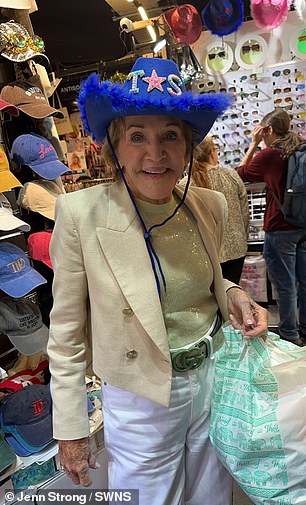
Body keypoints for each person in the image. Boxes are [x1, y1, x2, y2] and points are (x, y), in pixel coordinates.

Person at [47, 57, 268, 505]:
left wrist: (234, 293)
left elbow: (202, 285)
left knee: (212, 491)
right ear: (115, 146)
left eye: (170, 135)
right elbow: (66, 335)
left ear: (187, 148)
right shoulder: (80, 216)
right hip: (141, 395)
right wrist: (71, 428)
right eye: (138, 136)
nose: (155, 152)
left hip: (212, 378)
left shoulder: (207, 205)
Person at [237, 108, 306, 347]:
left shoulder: (270, 156)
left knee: (285, 286)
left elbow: (240, 174)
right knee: (304, 281)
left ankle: (289, 333)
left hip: (280, 227)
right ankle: (304, 329)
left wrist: (254, 144)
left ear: (267, 130)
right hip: (302, 224)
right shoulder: (299, 149)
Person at [180, 136, 249, 284]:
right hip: (237, 248)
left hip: (206, 253)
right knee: (232, 293)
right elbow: (245, 213)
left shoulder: (186, 184)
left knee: (211, 300)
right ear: (212, 152)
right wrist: (243, 238)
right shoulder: (231, 175)